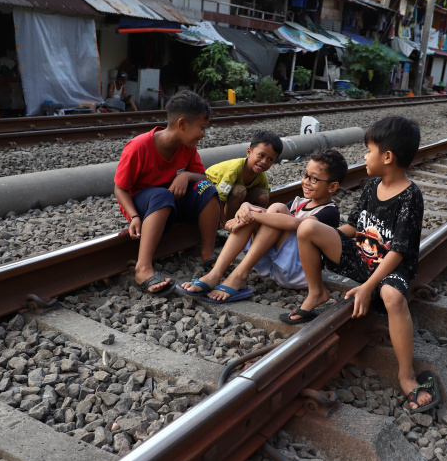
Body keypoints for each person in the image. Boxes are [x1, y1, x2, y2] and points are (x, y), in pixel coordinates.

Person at [290, 116, 437, 413]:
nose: (364, 157)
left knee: (393, 297)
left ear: (387, 156)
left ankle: (406, 375)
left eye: (368, 151)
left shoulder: (410, 196)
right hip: (361, 256)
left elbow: (398, 252)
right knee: (306, 228)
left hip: (389, 269)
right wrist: (325, 235)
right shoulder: (371, 187)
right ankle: (316, 292)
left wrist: (369, 287)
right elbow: (353, 228)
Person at [179, 149, 348, 302]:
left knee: (275, 209)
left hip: (297, 272)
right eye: (305, 175)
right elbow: (268, 215)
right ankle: (215, 274)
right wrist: (246, 208)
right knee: (265, 212)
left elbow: (294, 223)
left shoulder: (330, 212)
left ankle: (239, 275)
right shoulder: (300, 202)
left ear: (332, 186)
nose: (306, 181)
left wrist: (253, 215)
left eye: (314, 179)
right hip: (274, 266)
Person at [113, 91, 220, 294]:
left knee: (208, 189)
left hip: (169, 203)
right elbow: (120, 187)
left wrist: (186, 176)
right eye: (202, 128)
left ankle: (207, 253)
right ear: (182, 125)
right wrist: (134, 216)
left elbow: (203, 177)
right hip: (144, 204)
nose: (204, 134)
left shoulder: (187, 147)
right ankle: (143, 268)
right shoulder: (138, 147)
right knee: (162, 195)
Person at [205, 131, 283, 223]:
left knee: (263, 196)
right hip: (209, 186)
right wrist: (222, 223)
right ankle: (228, 222)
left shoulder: (262, 177)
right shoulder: (235, 169)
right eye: (261, 155)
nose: (264, 162)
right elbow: (220, 198)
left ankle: (250, 222)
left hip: (230, 193)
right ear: (249, 152)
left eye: (270, 159)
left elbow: (264, 198)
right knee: (240, 191)